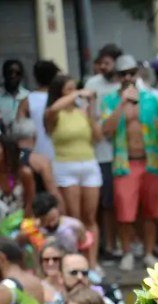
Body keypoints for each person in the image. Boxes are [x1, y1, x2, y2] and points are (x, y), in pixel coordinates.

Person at [101, 54, 158, 273]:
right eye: (122, 74)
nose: (128, 77)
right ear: (117, 76)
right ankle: (127, 251)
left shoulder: (151, 99)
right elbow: (105, 130)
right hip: (124, 162)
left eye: (131, 72)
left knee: (150, 211)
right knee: (124, 212)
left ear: (137, 73)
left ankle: (147, 252)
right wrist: (122, 102)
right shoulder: (110, 100)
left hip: (151, 161)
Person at [44, 74, 102, 245]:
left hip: (89, 164)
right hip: (66, 166)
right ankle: (75, 258)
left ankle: (92, 263)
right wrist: (76, 94)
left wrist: (91, 109)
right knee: (74, 218)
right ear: (59, 93)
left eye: (74, 88)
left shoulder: (81, 112)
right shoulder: (54, 115)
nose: (75, 92)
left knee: (90, 217)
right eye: (69, 89)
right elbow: (53, 109)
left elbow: (97, 137)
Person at [83, 44, 124, 257]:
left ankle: (123, 243)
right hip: (103, 153)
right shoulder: (92, 84)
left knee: (122, 202)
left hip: (126, 152)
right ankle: (108, 245)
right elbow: (90, 118)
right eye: (102, 63)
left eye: (109, 63)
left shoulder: (130, 82)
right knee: (106, 202)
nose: (105, 68)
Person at [0, 135, 34, 237]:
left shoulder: (24, 173)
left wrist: (23, 229)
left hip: (20, 225)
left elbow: (30, 202)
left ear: (7, 152)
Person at [31, 192, 88, 264]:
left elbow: (84, 244)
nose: (51, 225)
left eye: (53, 219)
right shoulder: (35, 229)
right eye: (46, 222)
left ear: (57, 209)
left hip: (71, 261)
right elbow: (35, 253)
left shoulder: (74, 225)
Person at [27, 60, 61, 162]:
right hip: (63, 153)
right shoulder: (63, 99)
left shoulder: (27, 100)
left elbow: (20, 130)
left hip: (38, 152)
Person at [0, 59, 29, 131]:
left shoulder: (28, 96)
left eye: (17, 73)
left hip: (23, 138)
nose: (13, 75)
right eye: (10, 72)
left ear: (21, 76)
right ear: (4, 74)